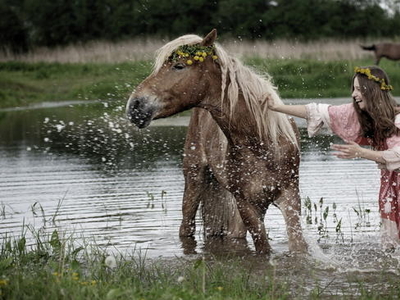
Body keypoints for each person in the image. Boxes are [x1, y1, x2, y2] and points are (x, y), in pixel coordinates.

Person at [267, 65, 399, 250]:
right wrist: (276, 107)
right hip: (390, 184)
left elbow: (398, 156)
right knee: (391, 245)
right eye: (353, 89)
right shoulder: (360, 114)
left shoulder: (398, 117)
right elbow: (317, 111)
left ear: (373, 91)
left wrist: (362, 152)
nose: (354, 94)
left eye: (359, 89)